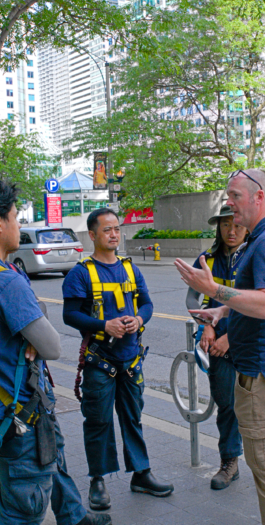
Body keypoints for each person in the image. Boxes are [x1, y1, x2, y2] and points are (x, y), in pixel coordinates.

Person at [0, 181, 110, 525]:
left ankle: (74, 516)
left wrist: (27, 332)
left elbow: (0, 324)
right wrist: (33, 335)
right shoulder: (5, 281)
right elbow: (52, 346)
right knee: (23, 508)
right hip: (20, 413)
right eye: (15, 217)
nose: (19, 224)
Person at [175, 169, 265, 525]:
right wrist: (223, 310)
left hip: (262, 373)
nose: (229, 203)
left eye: (235, 196)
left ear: (258, 197)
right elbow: (260, 300)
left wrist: (214, 290)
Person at [62, 208, 174, 511]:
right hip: (100, 361)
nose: (114, 234)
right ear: (92, 235)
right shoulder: (81, 273)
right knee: (98, 421)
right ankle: (97, 480)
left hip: (131, 360)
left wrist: (139, 319)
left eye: (117, 229)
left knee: (132, 418)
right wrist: (104, 326)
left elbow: (147, 304)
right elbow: (70, 315)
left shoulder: (130, 269)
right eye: (107, 230)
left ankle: (141, 473)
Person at [184, 205, 247, 490]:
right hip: (218, 348)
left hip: (249, 345)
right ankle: (230, 461)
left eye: (236, 225)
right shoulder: (206, 260)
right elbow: (192, 300)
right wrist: (206, 325)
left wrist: (231, 337)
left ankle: (264, 462)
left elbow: (260, 303)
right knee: (227, 405)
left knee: (258, 407)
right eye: (225, 225)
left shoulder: (254, 257)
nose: (231, 231)